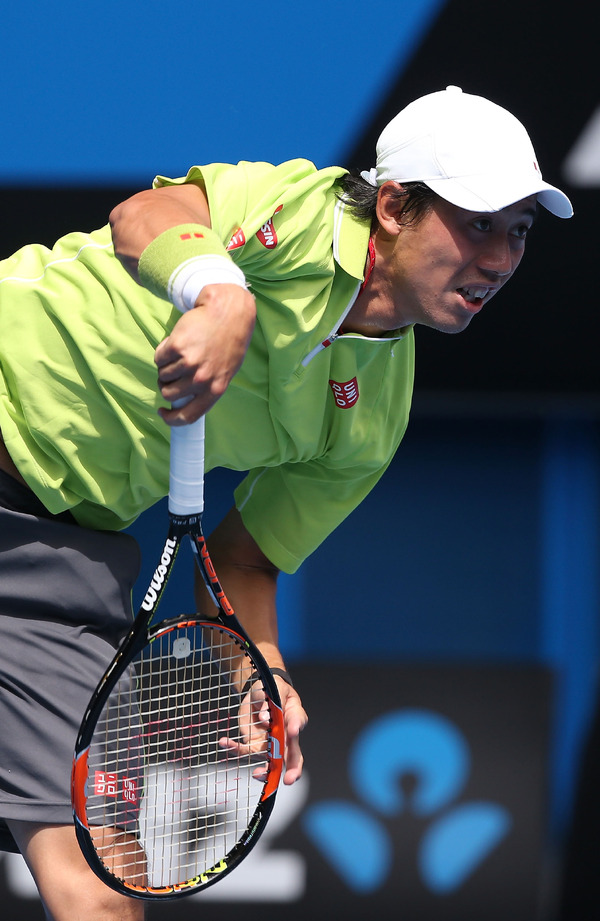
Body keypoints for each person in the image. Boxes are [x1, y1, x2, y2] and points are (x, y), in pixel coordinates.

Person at [0, 85, 572, 920]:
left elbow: (246, 556)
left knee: (100, 887)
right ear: (392, 208)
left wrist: (257, 667)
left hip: (52, 549)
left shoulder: (373, 417)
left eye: (517, 232)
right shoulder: (302, 215)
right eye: (477, 223)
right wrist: (218, 291)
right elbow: (142, 215)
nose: (498, 258)